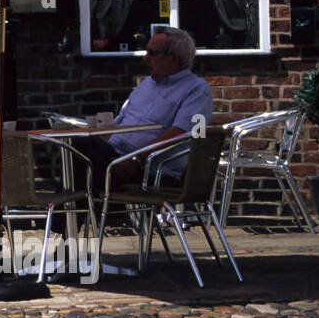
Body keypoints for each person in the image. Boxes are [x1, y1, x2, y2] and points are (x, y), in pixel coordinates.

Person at [71, 27, 213, 193]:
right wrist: (98, 136)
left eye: (152, 53)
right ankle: (90, 213)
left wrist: (136, 159)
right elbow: (120, 121)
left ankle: (84, 214)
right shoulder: (146, 84)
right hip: (115, 155)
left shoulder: (196, 89)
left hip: (150, 168)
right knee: (74, 148)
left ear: (173, 58)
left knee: (84, 167)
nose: (145, 58)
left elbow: (186, 134)